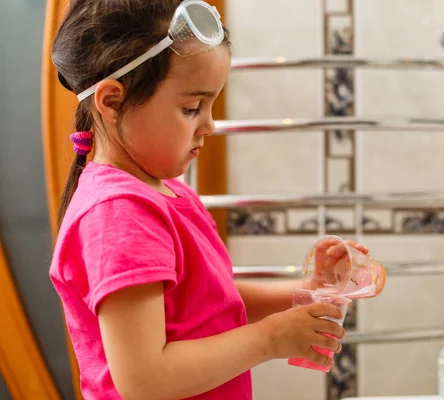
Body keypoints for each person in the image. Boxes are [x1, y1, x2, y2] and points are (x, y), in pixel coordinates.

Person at [49, 1, 368, 399]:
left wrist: (305, 291)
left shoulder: (164, 193)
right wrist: (270, 339)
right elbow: (143, 380)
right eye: (191, 108)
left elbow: (212, 305)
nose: (210, 124)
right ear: (112, 101)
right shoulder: (118, 214)